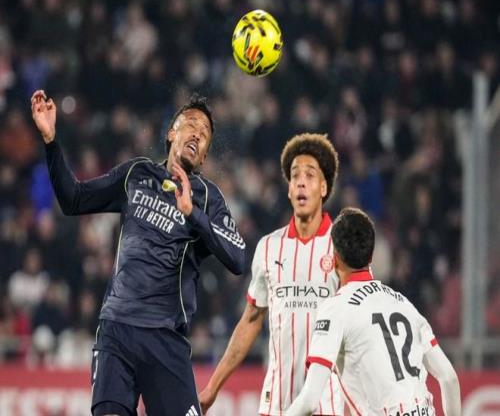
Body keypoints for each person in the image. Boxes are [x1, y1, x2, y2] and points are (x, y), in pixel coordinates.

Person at [30, 90, 246, 416]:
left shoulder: (208, 198)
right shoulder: (137, 173)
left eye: (205, 135)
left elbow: (238, 259)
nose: (197, 134)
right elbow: (73, 199)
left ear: (204, 157)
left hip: (165, 338)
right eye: (191, 124)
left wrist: (193, 214)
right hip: (117, 328)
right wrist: (51, 142)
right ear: (171, 133)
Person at [200, 133, 344, 415]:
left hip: (327, 404)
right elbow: (251, 320)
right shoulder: (269, 247)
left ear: (324, 187)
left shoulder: (343, 247)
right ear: (288, 189)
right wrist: (212, 387)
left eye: (310, 175)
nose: (300, 182)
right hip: (276, 402)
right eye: (295, 175)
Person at [287, 208, 461, 416]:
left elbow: (309, 402)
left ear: (334, 258)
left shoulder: (336, 309)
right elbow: (449, 378)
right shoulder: (403, 303)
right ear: (371, 256)